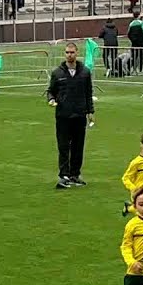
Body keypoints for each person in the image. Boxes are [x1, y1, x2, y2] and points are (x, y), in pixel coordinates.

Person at [46, 42, 95, 189]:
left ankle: (75, 174)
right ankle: (63, 175)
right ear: (64, 54)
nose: (70, 55)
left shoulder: (85, 72)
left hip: (79, 115)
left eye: (72, 52)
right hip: (63, 115)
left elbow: (88, 93)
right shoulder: (57, 73)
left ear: (77, 53)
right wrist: (51, 99)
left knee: (78, 146)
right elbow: (50, 91)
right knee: (63, 146)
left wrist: (90, 111)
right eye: (67, 52)